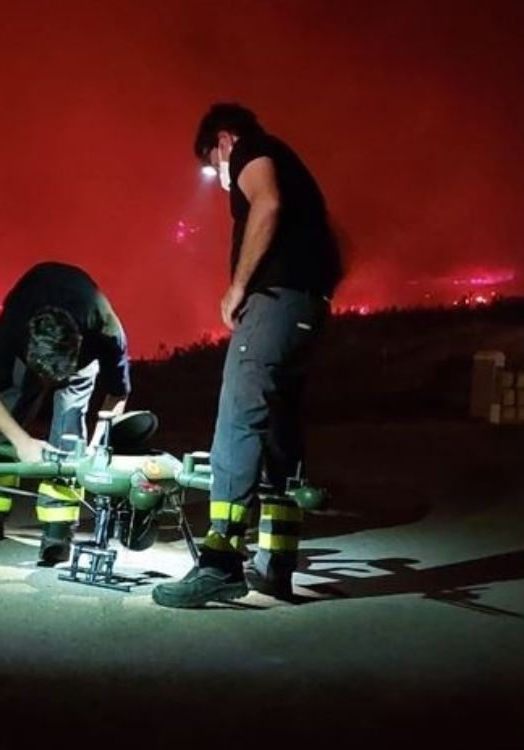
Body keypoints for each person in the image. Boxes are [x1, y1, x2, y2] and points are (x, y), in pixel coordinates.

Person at [153, 103, 342, 607]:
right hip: (307, 305)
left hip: (276, 301)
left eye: (212, 163)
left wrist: (238, 287)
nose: (217, 178)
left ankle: (220, 561)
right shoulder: (292, 164)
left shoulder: (251, 150)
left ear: (223, 140)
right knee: (281, 429)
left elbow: (268, 203)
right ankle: (275, 563)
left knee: (238, 417)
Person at [0, 261, 131, 564]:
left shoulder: (105, 331)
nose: (51, 383)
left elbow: (118, 394)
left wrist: (95, 444)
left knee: (70, 432)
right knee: (7, 418)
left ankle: (58, 528)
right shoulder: (13, 327)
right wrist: (22, 441)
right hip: (30, 332)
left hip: (81, 358)